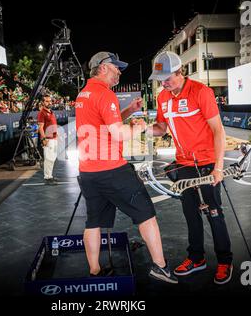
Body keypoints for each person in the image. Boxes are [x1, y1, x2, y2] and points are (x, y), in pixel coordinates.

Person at [75, 51, 178, 283]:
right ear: (103, 68)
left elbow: (103, 123)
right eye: (116, 68)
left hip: (88, 171)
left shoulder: (84, 94)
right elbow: (119, 134)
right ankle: (160, 267)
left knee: (93, 222)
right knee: (146, 214)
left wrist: (129, 111)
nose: (119, 72)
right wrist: (140, 127)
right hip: (111, 169)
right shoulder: (105, 93)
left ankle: (94, 271)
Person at [146, 51, 233, 285]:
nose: (164, 82)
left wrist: (218, 167)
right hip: (184, 163)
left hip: (207, 163)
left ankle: (225, 260)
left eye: (167, 77)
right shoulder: (162, 97)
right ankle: (197, 258)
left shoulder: (201, 92)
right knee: (190, 213)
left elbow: (218, 131)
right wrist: (142, 128)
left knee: (214, 212)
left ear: (179, 71)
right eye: (160, 78)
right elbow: (161, 128)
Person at [37, 94, 58, 185]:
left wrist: (57, 135)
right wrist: (44, 138)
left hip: (53, 138)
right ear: (43, 102)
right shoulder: (42, 112)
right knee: (48, 159)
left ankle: (50, 175)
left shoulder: (51, 111)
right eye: (47, 101)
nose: (49, 102)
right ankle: (47, 177)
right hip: (48, 139)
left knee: (52, 158)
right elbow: (40, 127)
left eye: (50, 101)